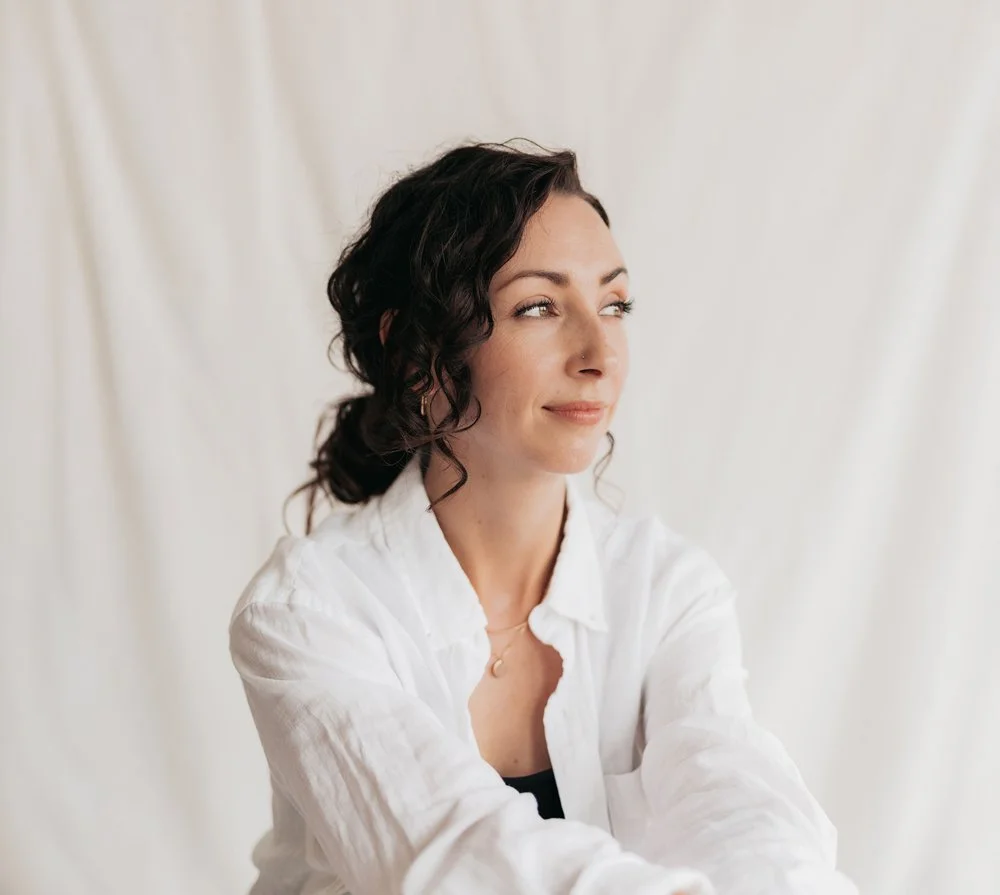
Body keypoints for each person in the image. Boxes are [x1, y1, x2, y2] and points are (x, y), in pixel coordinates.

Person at [228, 140, 859, 895]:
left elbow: (740, 800)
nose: (600, 353)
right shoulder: (311, 611)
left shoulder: (665, 589)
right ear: (415, 350)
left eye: (614, 304)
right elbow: (449, 856)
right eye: (539, 306)